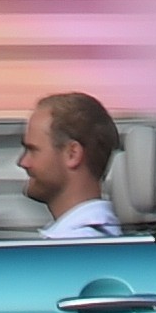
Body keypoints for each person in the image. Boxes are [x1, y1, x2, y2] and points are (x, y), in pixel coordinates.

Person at [18, 91, 124, 238]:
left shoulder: (80, 242)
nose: (23, 162)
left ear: (72, 154)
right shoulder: (89, 239)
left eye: (33, 150)